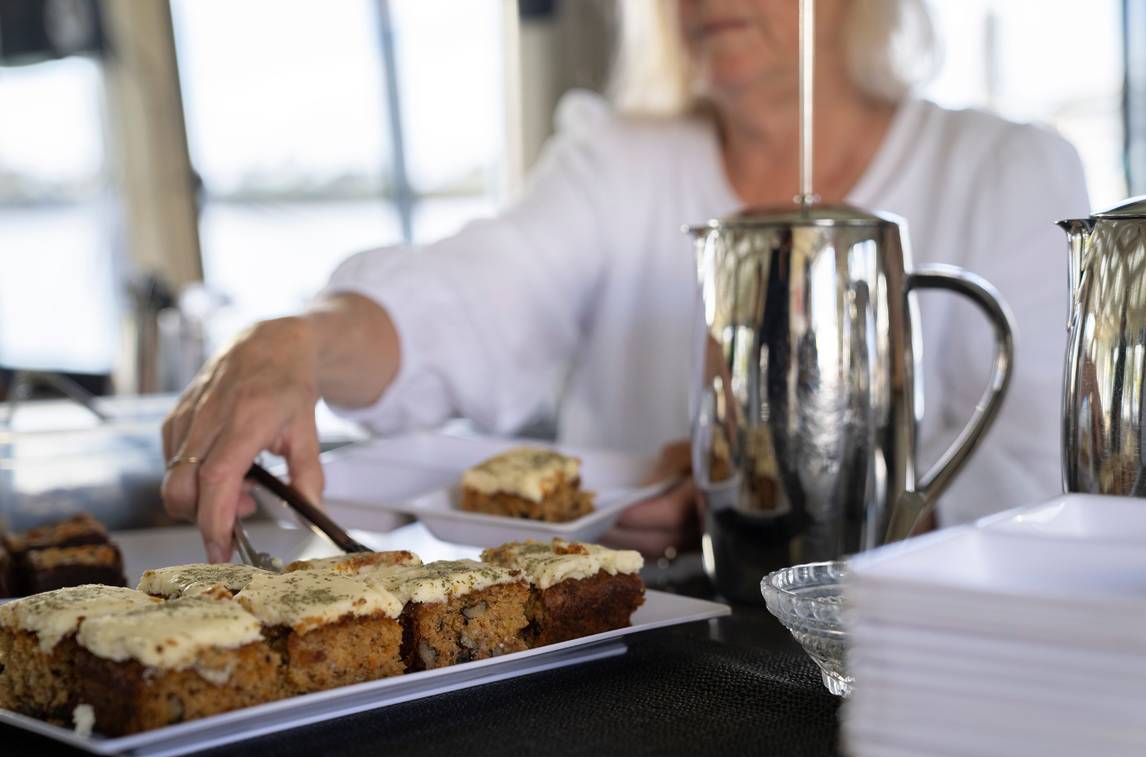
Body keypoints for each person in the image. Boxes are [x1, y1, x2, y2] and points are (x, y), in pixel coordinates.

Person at [162, 0, 1090, 563]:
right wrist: (300, 344)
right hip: (632, 656)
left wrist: (788, 516)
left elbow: (1036, 480)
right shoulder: (619, 160)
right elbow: (476, 296)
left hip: (904, 657)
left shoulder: (1004, 170)